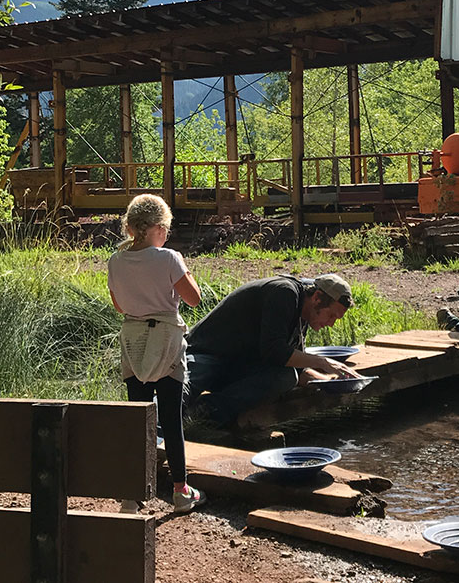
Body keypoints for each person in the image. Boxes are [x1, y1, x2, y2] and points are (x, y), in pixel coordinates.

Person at [108, 194, 207, 514]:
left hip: (133, 340)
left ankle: (131, 495)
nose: (167, 233)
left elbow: (119, 306)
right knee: (170, 419)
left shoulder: (116, 260)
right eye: (165, 227)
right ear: (154, 227)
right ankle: (181, 490)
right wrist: (184, 272)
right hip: (165, 340)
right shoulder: (168, 258)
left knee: (138, 418)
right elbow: (194, 299)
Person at [185, 273, 357, 427]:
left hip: (235, 366)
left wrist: (332, 382)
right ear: (318, 297)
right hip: (207, 355)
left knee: (286, 377)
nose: (331, 323)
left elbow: (295, 367)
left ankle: (204, 413)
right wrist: (323, 362)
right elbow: (274, 351)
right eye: (332, 315)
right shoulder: (284, 293)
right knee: (180, 387)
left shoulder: (303, 314)